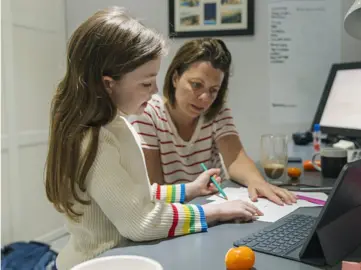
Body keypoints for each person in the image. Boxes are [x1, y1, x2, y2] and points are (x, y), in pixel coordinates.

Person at [44, 7, 261, 270]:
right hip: (99, 262)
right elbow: (140, 220)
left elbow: (133, 195)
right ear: (109, 84)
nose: (156, 90)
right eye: (146, 83)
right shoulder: (95, 138)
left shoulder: (114, 124)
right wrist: (212, 213)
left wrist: (188, 190)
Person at [129, 38, 297, 206]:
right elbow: (154, 189)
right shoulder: (148, 113)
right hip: (178, 210)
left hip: (216, 202)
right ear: (175, 78)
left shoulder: (217, 111)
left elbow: (236, 159)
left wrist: (258, 182)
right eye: (196, 85)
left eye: (213, 90)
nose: (204, 98)